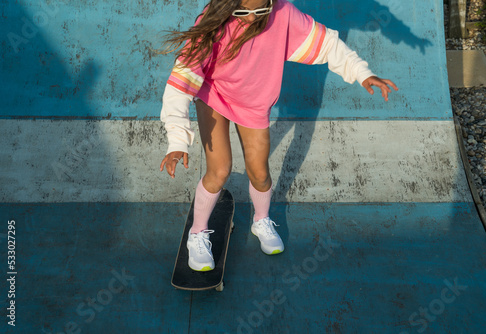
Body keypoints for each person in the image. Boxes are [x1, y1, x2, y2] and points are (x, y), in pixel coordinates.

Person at [159, 0, 398, 272]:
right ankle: (197, 233)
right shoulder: (212, 20)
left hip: (253, 103)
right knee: (220, 169)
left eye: (260, 11)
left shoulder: (283, 13)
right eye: (242, 12)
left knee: (259, 172)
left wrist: (363, 73)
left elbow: (328, 44)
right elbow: (181, 79)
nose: (250, 19)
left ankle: (261, 219)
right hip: (213, 94)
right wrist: (177, 140)